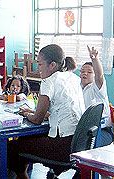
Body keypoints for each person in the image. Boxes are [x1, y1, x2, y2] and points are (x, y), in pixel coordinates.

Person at [6, 44, 85, 179]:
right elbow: (60, 110)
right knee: (27, 138)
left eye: (40, 64)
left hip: (62, 147)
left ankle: (23, 176)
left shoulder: (49, 82)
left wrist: (26, 113)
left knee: (11, 148)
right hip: (79, 143)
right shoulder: (72, 78)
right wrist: (33, 111)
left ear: (52, 65)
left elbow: (37, 119)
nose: (38, 68)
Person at [80, 46, 113, 147]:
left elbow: (99, 76)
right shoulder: (79, 89)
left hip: (101, 132)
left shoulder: (96, 88)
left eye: (89, 72)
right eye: (82, 71)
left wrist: (95, 59)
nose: (85, 73)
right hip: (85, 129)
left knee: (79, 146)